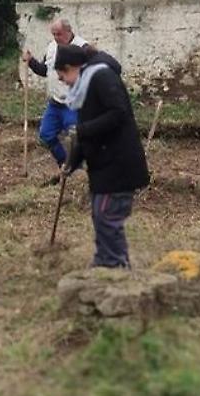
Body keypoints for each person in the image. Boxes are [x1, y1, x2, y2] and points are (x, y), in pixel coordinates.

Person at [54, 44, 150, 268]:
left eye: (62, 76)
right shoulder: (86, 85)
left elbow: (118, 112)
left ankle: (115, 265)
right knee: (100, 214)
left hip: (118, 162)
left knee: (107, 215)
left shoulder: (101, 78)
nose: (65, 82)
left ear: (71, 67)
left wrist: (83, 131)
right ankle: (104, 261)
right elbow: (84, 130)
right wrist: (72, 163)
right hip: (104, 164)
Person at [22, 17, 88, 167]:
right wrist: (31, 61)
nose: (56, 38)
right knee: (46, 134)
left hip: (74, 103)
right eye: (53, 34)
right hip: (55, 102)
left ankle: (78, 168)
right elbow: (45, 70)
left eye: (59, 34)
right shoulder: (52, 47)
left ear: (68, 31)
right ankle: (65, 164)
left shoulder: (82, 47)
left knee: (75, 138)